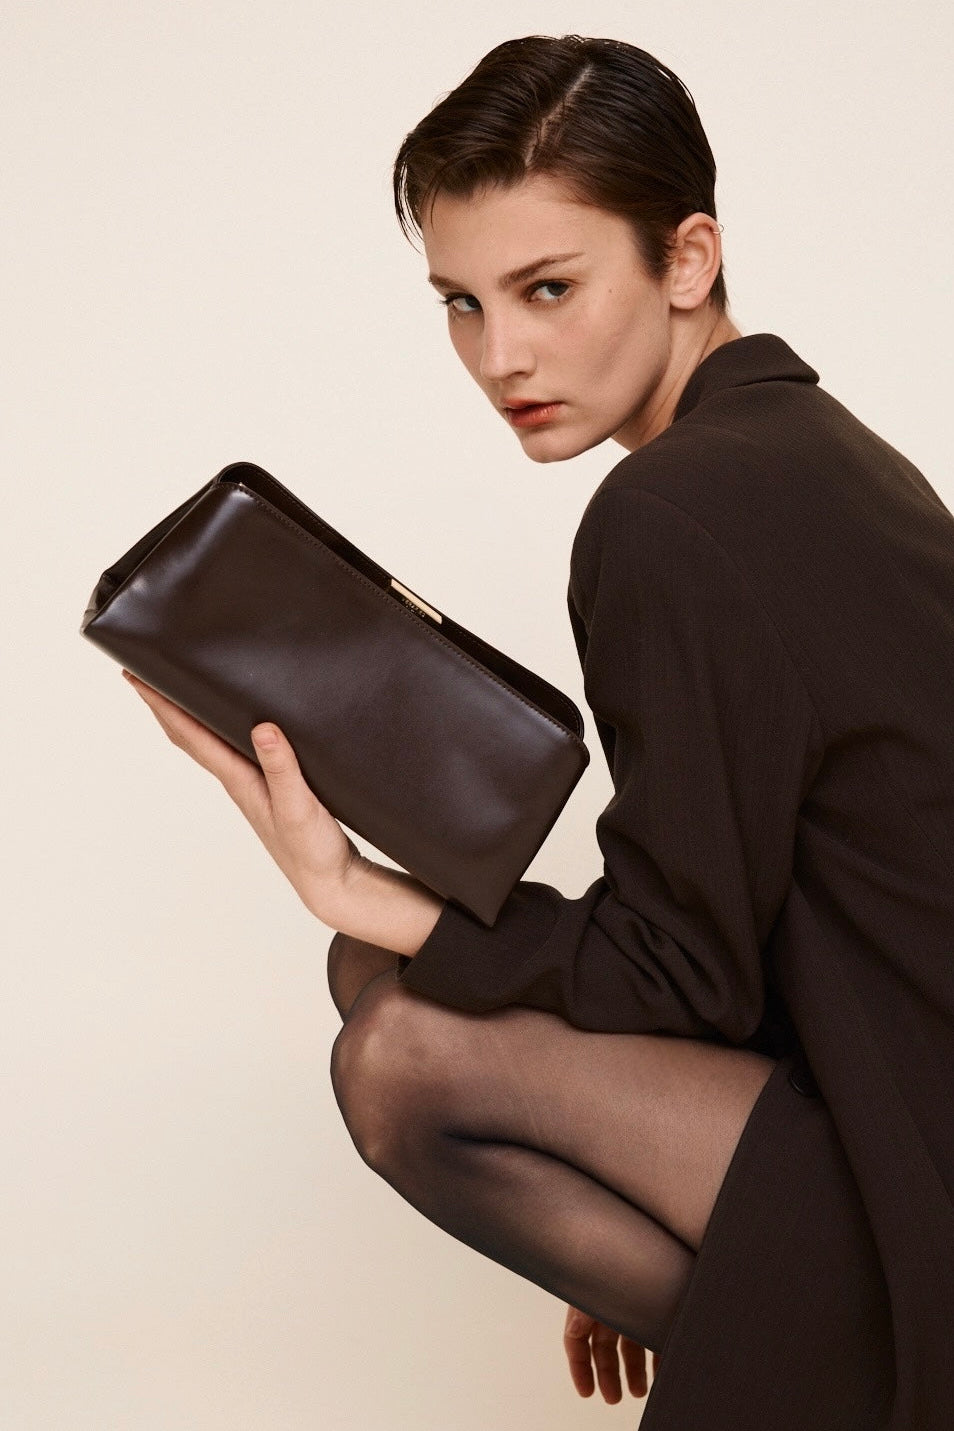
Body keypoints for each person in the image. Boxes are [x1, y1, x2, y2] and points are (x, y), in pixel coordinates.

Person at [124, 34, 954, 1430]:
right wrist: (623, 1160)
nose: (499, 355)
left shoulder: (671, 514)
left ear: (685, 260)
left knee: (398, 1042)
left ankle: (826, 1354)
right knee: (382, 976)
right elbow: (740, 926)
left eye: (547, 289)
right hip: (886, 1089)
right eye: (460, 302)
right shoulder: (819, 455)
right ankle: (769, 1302)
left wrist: (361, 889)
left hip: (912, 1164)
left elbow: (679, 970)